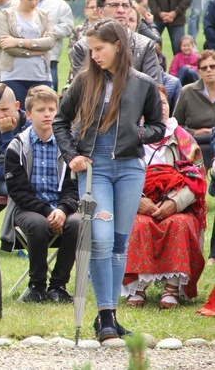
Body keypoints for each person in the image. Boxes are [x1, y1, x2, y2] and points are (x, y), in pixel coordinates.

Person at [54, 19, 165, 342]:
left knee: (118, 244)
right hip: (94, 166)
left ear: (117, 45)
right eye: (91, 50)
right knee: (99, 239)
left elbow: (158, 126)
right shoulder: (83, 81)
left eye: (99, 49)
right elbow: (61, 121)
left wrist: (137, 133)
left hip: (130, 167)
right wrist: (71, 155)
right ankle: (104, 315)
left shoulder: (142, 83)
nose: (95, 55)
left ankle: (110, 318)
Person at [123, 85, 207, 309]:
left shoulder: (183, 138)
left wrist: (174, 202)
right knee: (138, 225)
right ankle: (137, 285)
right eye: (154, 103)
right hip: (139, 204)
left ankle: (172, 288)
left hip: (176, 204)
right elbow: (118, 176)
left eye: (163, 102)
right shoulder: (129, 137)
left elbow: (198, 177)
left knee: (179, 224)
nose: (160, 108)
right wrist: (137, 201)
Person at [1, 86, 79, 303]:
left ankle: (58, 285)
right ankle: (37, 285)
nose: (47, 114)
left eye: (52, 109)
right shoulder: (17, 146)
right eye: (41, 110)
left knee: (79, 223)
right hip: (28, 209)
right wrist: (47, 211)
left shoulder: (69, 146)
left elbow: (74, 187)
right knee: (38, 224)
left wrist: (62, 210)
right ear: (28, 115)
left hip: (63, 207)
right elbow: (18, 191)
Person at [71, 0, 161, 84]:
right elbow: (82, 89)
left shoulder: (145, 46)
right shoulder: (83, 47)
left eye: (126, 6)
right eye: (114, 5)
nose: (121, 10)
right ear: (100, 12)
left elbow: (153, 88)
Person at [0, 0, 56, 107]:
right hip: (13, 75)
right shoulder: (6, 15)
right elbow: (6, 46)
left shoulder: (44, 15)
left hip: (40, 75)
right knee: (17, 114)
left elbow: (50, 42)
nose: (34, 2)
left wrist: (18, 41)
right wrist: (35, 50)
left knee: (40, 112)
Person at [23, 0, 74, 92]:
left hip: (49, 58)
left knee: (47, 96)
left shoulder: (59, 4)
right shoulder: (16, 4)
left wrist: (50, 31)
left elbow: (68, 28)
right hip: (21, 57)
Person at [0, 84, 28, 198]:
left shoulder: (28, 126)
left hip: (14, 179)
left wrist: (6, 133)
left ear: (16, 106)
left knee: (22, 191)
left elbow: (17, 163)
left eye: (5, 109)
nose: (1, 115)